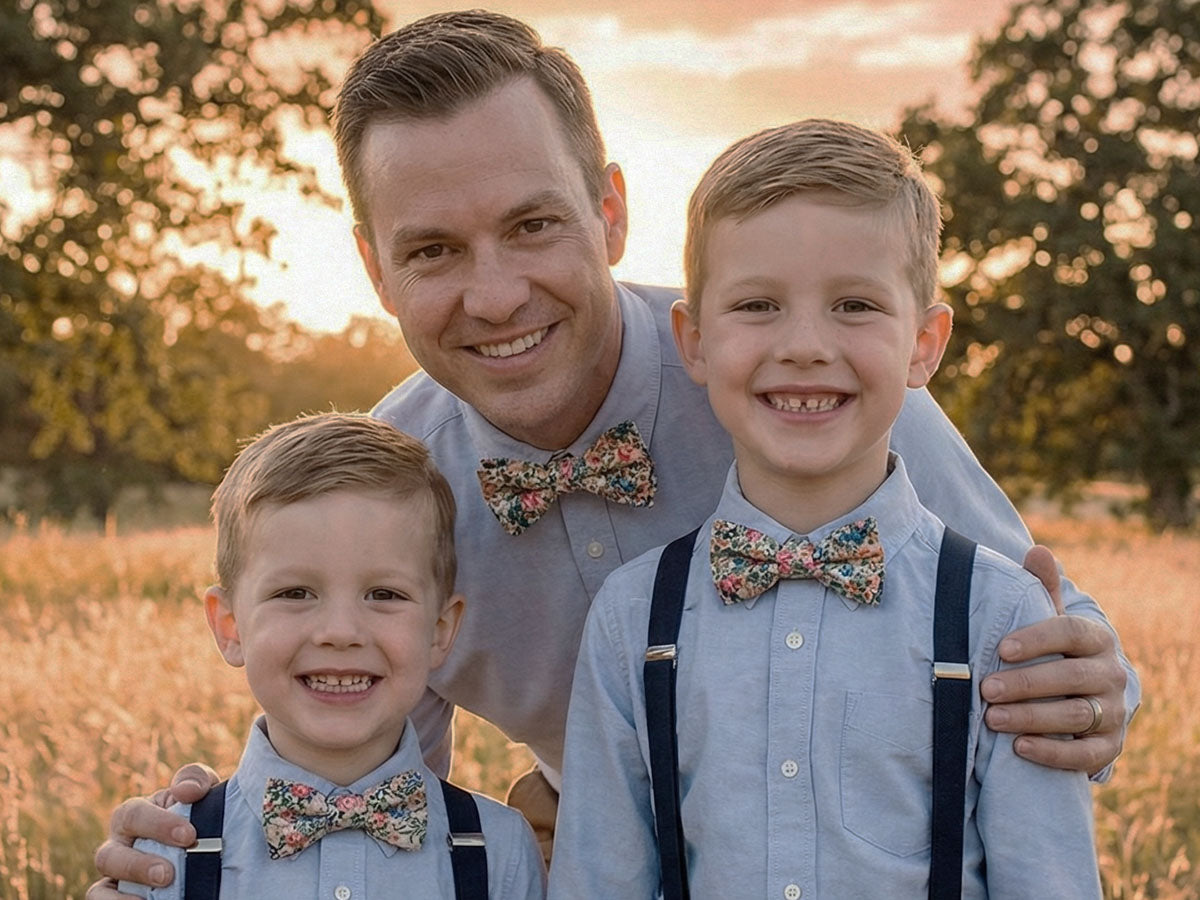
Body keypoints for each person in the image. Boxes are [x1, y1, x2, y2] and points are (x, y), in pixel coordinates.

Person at [91, 11, 1134, 897]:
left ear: (612, 212)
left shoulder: (799, 380)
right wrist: (204, 843)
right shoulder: (383, 495)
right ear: (372, 268)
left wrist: (1091, 683)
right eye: (432, 250)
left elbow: (1044, 636)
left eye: (533, 224)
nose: (495, 296)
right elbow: (375, 802)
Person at [549, 118, 1102, 898]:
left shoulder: (998, 613)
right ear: (694, 341)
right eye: (758, 305)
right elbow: (598, 881)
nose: (805, 344)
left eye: (854, 305)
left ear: (926, 343)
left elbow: (1051, 884)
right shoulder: (632, 616)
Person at [117, 413, 545, 900]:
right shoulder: (165, 856)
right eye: (295, 593)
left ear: (440, 631)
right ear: (229, 626)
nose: (340, 632)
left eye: (384, 594)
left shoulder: (500, 851)